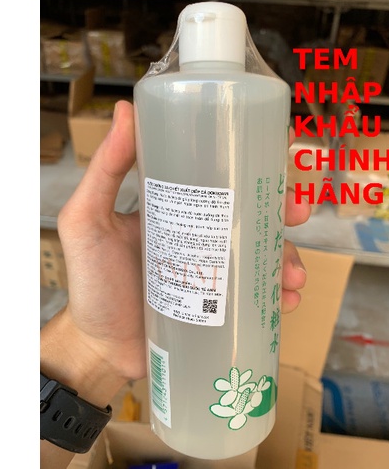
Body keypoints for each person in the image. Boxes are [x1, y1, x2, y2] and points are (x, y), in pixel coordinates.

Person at [40, 100, 311, 468]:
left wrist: (93, 351)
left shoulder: (253, 96)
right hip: (168, 320)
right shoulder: (165, 96)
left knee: (255, 236)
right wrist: (91, 346)